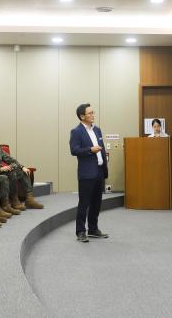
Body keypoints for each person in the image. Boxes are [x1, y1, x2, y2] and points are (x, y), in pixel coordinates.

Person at [0, 126, 44, 209]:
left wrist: (22, 167)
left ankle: (29, 199)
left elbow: (9, 159)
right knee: (12, 173)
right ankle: (14, 200)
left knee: (23, 172)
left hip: (4, 171)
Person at [69, 103, 109, 243]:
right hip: (86, 173)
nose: (93, 115)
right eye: (90, 113)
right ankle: (80, 231)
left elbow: (101, 149)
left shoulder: (97, 130)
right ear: (82, 116)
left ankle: (93, 229)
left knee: (96, 203)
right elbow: (74, 150)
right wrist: (90, 150)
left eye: (93, 112)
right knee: (84, 203)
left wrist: (104, 165)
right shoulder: (76, 132)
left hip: (99, 170)